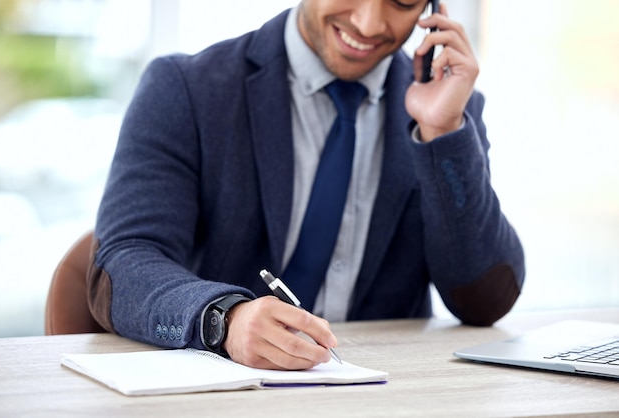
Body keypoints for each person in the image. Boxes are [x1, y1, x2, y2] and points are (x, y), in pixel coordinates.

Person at [88, 0, 525, 371]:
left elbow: (486, 301)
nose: (369, 24)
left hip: (383, 394)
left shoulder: (444, 111)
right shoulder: (186, 89)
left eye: (402, 1)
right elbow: (122, 264)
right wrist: (224, 319)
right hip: (223, 391)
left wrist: (443, 134)